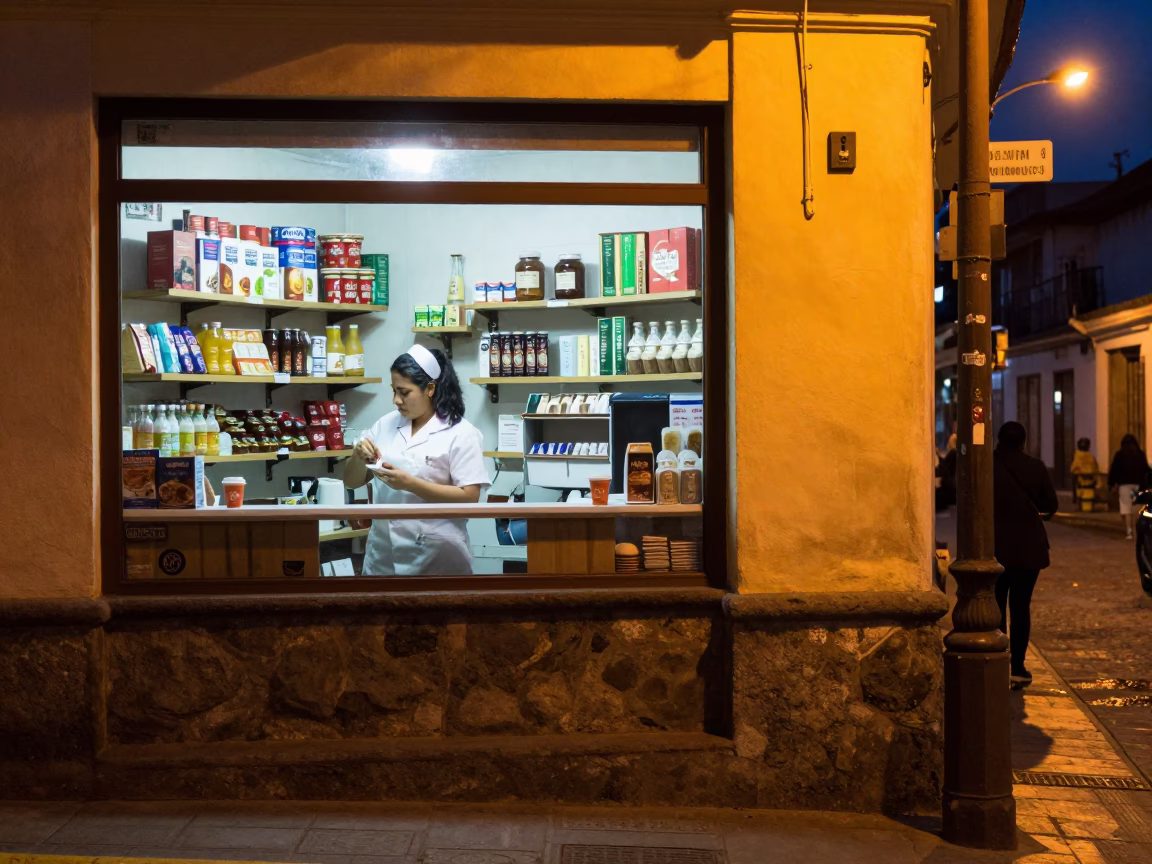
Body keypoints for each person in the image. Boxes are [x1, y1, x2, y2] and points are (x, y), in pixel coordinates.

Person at [344, 345, 489, 575]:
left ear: (430, 388)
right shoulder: (384, 425)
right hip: (384, 555)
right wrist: (357, 456)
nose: (396, 400)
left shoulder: (461, 433)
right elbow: (351, 481)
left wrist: (409, 484)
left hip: (437, 557)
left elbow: (470, 497)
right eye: (393, 391)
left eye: (404, 392)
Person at [993, 421, 1058, 687]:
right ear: (1023, 441)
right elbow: (1050, 505)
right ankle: (1017, 666)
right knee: (1021, 607)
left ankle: (995, 659)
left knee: (995, 606)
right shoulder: (1035, 467)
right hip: (1028, 548)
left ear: (998, 440)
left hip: (995, 548)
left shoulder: (987, 465)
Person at [1108, 434, 1149, 540]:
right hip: (1138, 485)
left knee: (1126, 508)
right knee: (1137, 509)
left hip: (1124, 485)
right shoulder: (1140, 454)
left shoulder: (1120, 455)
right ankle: (1137, 530)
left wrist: (1112, 483)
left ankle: (1129, 531)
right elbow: (1146, 470)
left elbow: (1114, 470)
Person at [1070, 437, 1099, 512]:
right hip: (1090, 480)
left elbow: (1073, 468)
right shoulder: (1091, 457)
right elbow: (1095, 468)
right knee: (1089, 495)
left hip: (1080, 479)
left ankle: (1080, 506)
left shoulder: (1077, 455)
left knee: (1080, 493)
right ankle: (1089, 507)